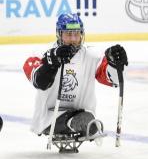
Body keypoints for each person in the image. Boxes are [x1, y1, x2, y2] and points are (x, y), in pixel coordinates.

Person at [21, 13, 127, 145]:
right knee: (88, 123)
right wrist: (52, 62)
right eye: (68, 34)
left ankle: (77, 121)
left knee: (88, 123)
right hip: (49, 117)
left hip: (81, 113)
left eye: (76, 34)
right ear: (59, 34)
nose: (73, 39)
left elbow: (112, 80)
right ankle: (73, 122)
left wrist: (114, 64)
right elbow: (39, 82)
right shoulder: (42, 53)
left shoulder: (91, 56)